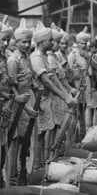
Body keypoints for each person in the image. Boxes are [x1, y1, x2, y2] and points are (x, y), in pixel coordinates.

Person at [30, 22, 73, 168]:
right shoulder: (36, 57)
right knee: (39, 134)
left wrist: (66, 95)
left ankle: (41, 163)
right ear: (42, 42)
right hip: (39, 100)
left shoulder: (42, 56)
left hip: (45, 99)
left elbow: (54, 78)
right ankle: (37, 165)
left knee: (43, 132)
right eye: (51, 40)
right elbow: (47, 81)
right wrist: (65, 96)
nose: (53, 43)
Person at [7, 18, 36, 183]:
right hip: (18, 104)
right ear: (16, 42)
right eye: (23, 42)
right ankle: (12, 176)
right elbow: (12, 87)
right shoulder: (13, 61)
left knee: (24, 140)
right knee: (16, 140)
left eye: (29, 42)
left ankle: (20, 171)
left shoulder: (26, 57)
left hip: (27, 100)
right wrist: (23, 105)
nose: (26, 45)